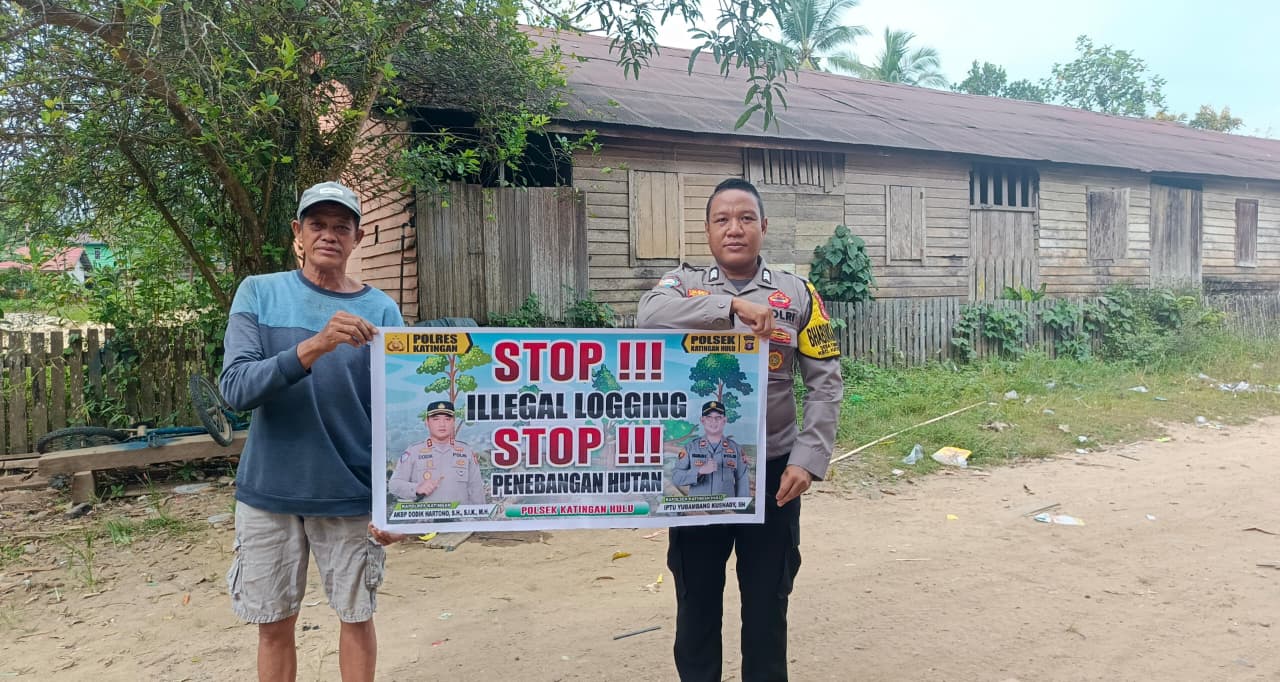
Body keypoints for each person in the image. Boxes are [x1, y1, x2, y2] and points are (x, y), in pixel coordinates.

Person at [638, 177, 843, 682]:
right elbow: (647, 317)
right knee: (697, 604)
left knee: (768, 606)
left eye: (746, 218)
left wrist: (807, 460)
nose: (735, 229)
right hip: (700, 479)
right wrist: (727, 307)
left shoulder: (798, 294)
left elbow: (825, 382)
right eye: (723, 220)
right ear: (708, 230)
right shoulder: (681, 287)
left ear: (763, 227)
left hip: (774, 476)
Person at [220, 181, 407, 682]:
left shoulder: (383, 311)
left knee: (357, 616)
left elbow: (398, 413)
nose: (329, 235)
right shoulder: (259, 292)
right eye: (317, 224)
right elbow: (237, 388)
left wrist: (396, 503)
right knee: (273, 626)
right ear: (297, 233)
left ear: (358, 238)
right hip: (270, 492)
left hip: (350, 492)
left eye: (341, 227)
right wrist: (315, 345)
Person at [388, 399, 485, 504]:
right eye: (436, 419)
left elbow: (476, 490)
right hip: (426, 513)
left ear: (453, 422)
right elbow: (394, 485)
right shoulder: (414, 452)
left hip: (459, 513)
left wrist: (482, 513)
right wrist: (416, 488)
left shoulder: (466, 451)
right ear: (427, 422)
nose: (442, 424)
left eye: (447, 419)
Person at [672, 400, 750, 498]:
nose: (714, 421)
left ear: (724, 420)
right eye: (709, 417)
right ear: (702, 420)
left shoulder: (736, 449)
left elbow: (742, 482)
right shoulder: (690, 448)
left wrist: (741, 506)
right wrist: (699, 471)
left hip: (726, 506)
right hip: (699, 506)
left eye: (718, 417)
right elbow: (676, 477)